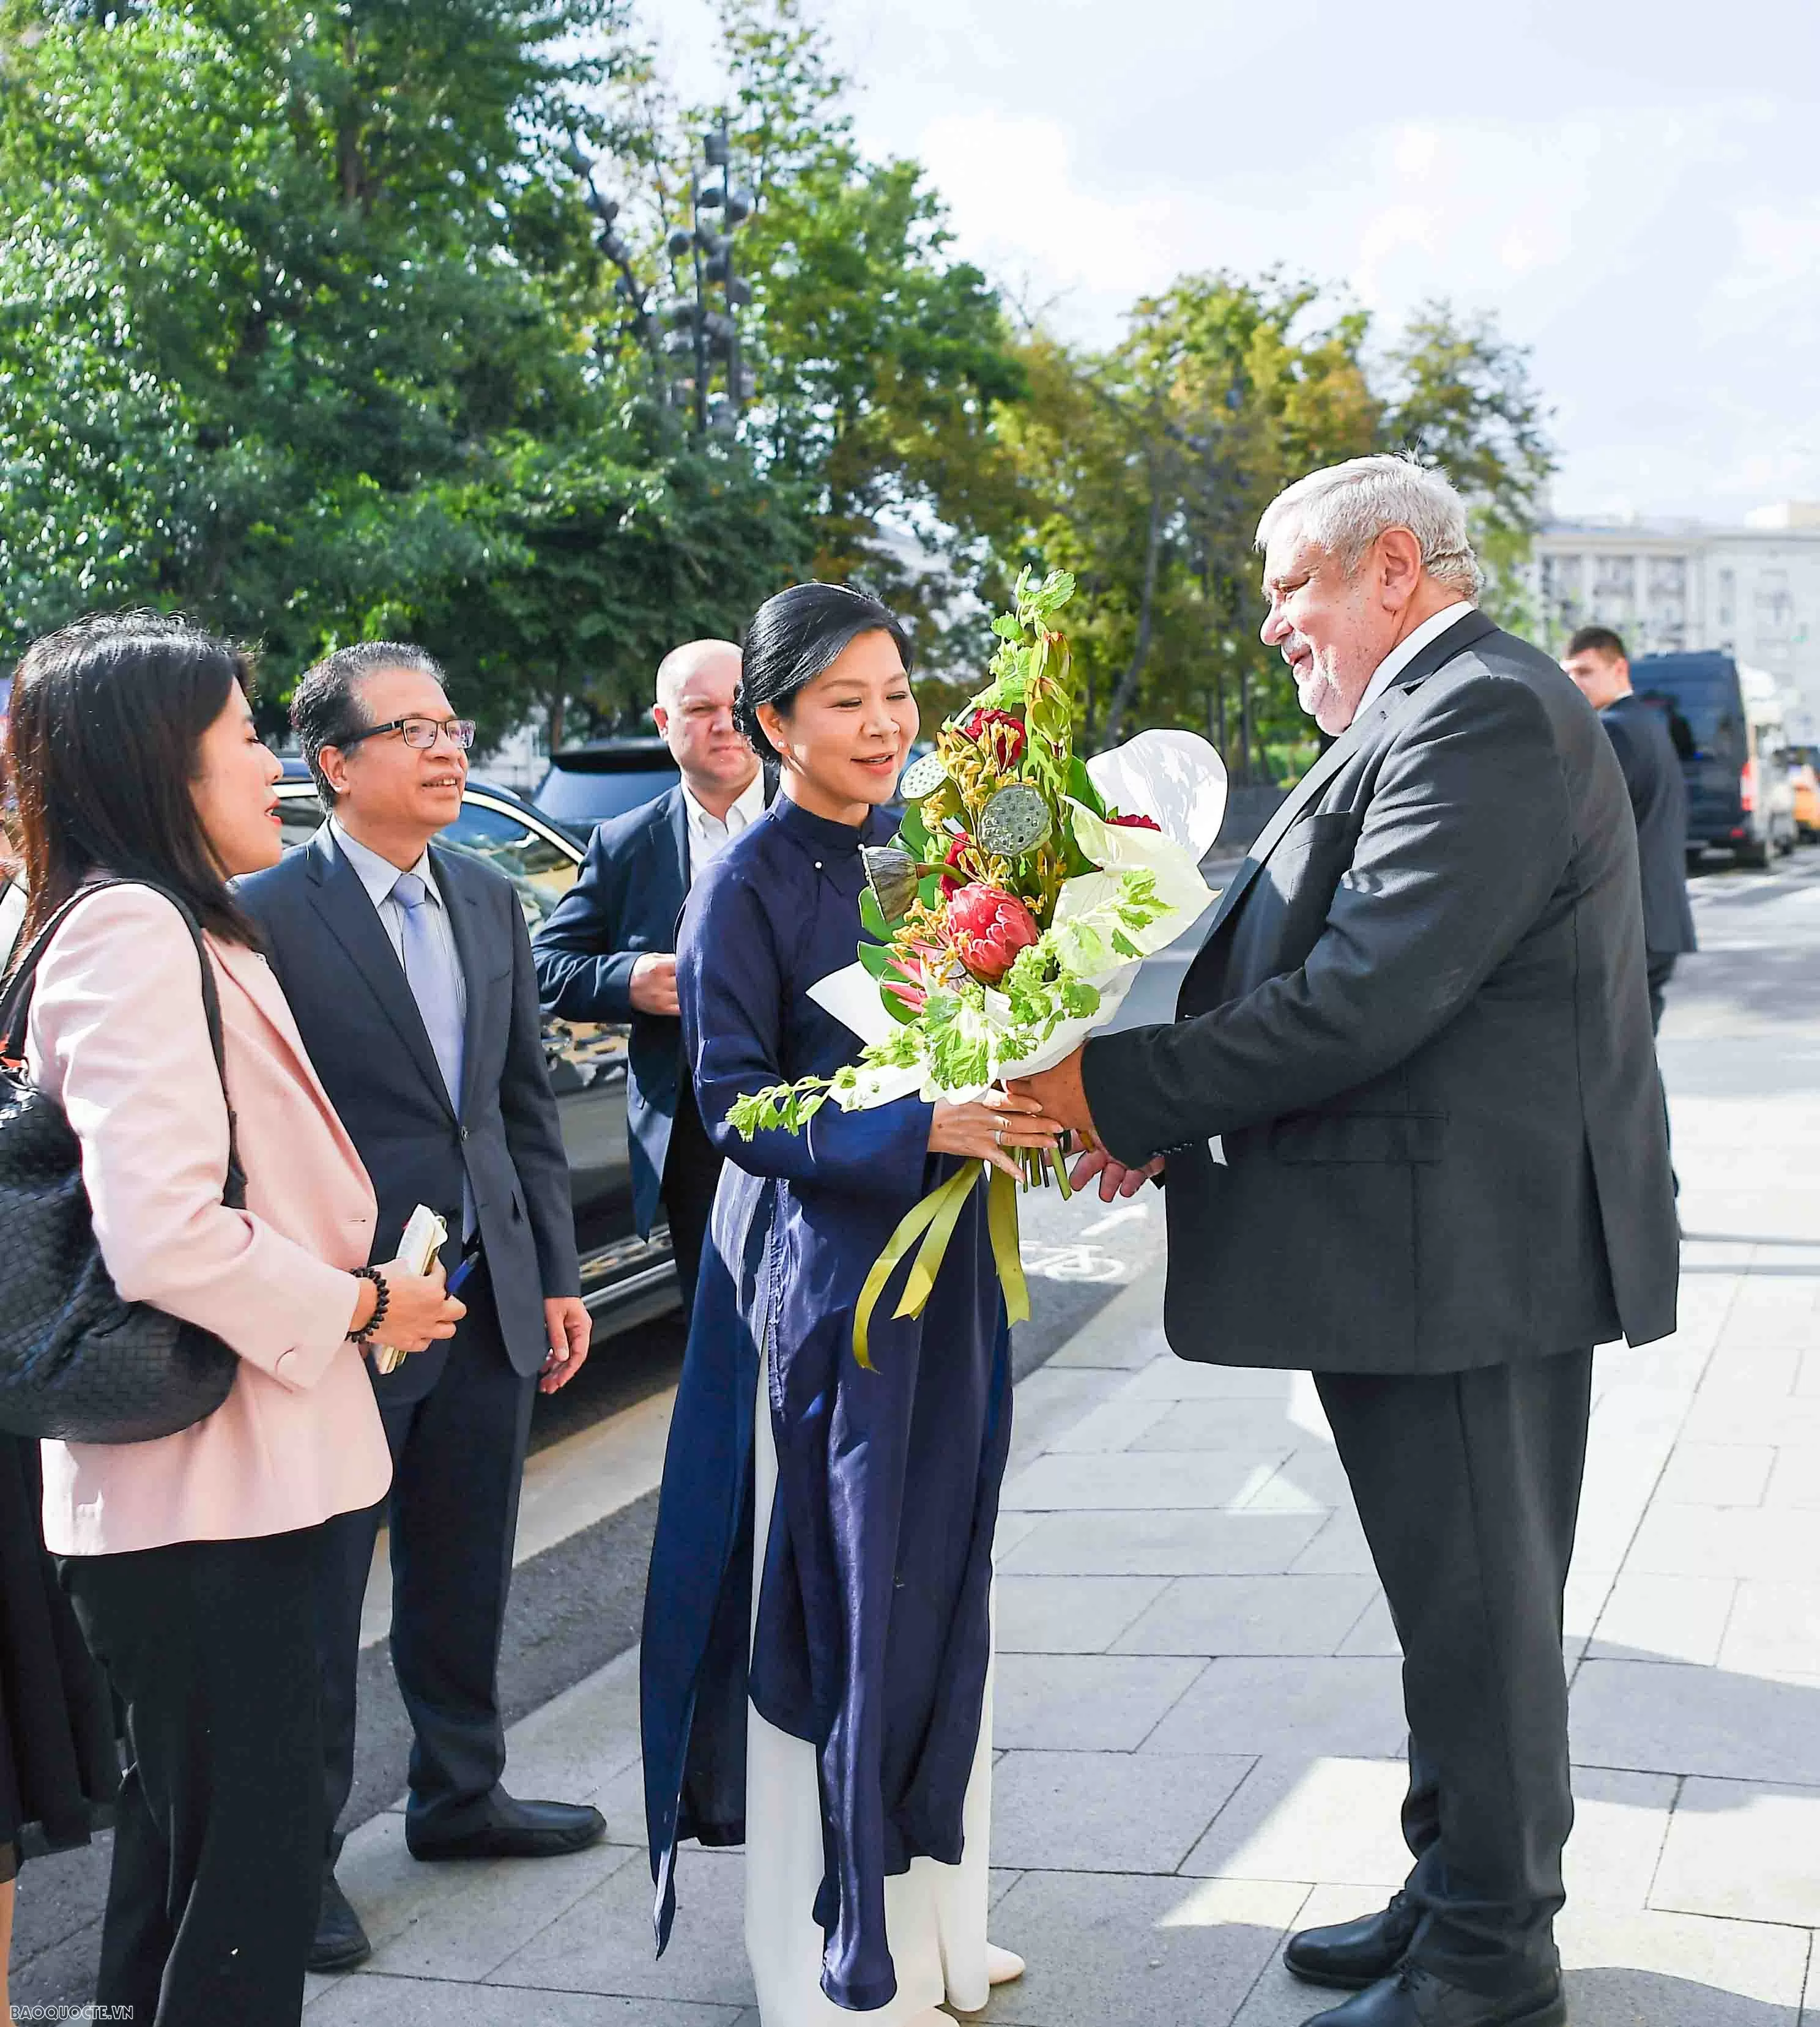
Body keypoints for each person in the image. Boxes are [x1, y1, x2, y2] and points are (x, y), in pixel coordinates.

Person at [1016, 456, 1680, 2027]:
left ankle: (1487, 1961)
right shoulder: (1436, 707)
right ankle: (1451, 1888)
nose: (1272, 625)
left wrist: (1109, 1089)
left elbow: (1364, 996)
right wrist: (1154, 1109)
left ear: (1392, 567)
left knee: (1478, 1616)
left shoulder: (1479, 711)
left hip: (1460, 1262)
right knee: (1455, 1606)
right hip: (1432, 1252)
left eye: (1288, 587)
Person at [7, 610, 461, 2025]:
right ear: (160, 762)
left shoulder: (168, 917)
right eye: (247, 736)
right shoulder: (131, 929)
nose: (272, 764)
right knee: (243, 1891)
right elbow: (164, 1233)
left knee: (187, 1871)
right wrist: (364, 1301)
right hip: (201, 1495)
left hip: (217, 1490)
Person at [640, 584, 1056, 2025]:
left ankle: (940, 1917)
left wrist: (1033, 1096)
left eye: (894, 693)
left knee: (945, 1585)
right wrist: (911, 1127)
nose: (883, 725)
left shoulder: (919, 857)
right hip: (835, 1295)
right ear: (772, 722)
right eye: (843, 701)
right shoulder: (742, 884)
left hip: (953, 1270)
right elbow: (733, 1104)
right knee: (844, 1599)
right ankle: (823, 1950)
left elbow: (979, 1022)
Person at [236, 641, 601, 1975]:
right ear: (333, 765)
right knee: (320, 1599)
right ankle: (297, 1862)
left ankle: (460, 1792)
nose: (449, 748)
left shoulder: (489, 895)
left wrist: (553, 1273)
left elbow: (515, 1106)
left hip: (485, 1295)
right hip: (351, 1311)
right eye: (414, 731)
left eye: (453, 723)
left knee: (464, 1565)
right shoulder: (262, 915)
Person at [534, 640, 770, 1311]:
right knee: (723, 1324)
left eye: (738, 705)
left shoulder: (823, 813)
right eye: (699, 709)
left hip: (824, 1107)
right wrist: (631, 978)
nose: (724, 724)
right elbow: (547, 964)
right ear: (665, 723)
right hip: (699, 1130)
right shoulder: (625, 843)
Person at [1561, 625, 1697, 1033]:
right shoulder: (1648, 723)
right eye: (1568, 674)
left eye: (1585, 672)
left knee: (1611, 1053)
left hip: (1629, 922)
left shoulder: (1614, 729)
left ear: (1619, 669)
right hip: (1658, 916)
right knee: (1632, 1054)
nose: (1574, 684)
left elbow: (1584, 826)